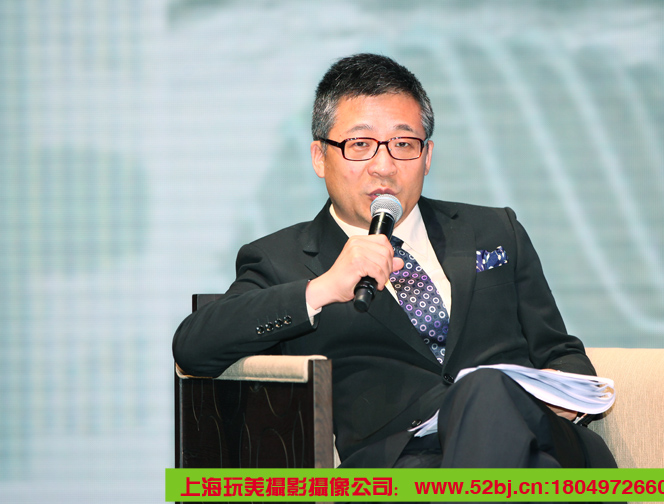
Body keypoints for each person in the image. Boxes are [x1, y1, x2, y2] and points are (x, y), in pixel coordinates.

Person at [172, 53, 616, 470]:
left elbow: (558, 350)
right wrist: (323, 288)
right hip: (408, 465)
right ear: (320, 157)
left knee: (485, 392)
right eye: (360, 144)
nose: (384, 166)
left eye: (403, 143)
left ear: (427, 156)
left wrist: (566, 399)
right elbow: (193, 348)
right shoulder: (280, 260)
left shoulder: (495, 229)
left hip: (538, 437)